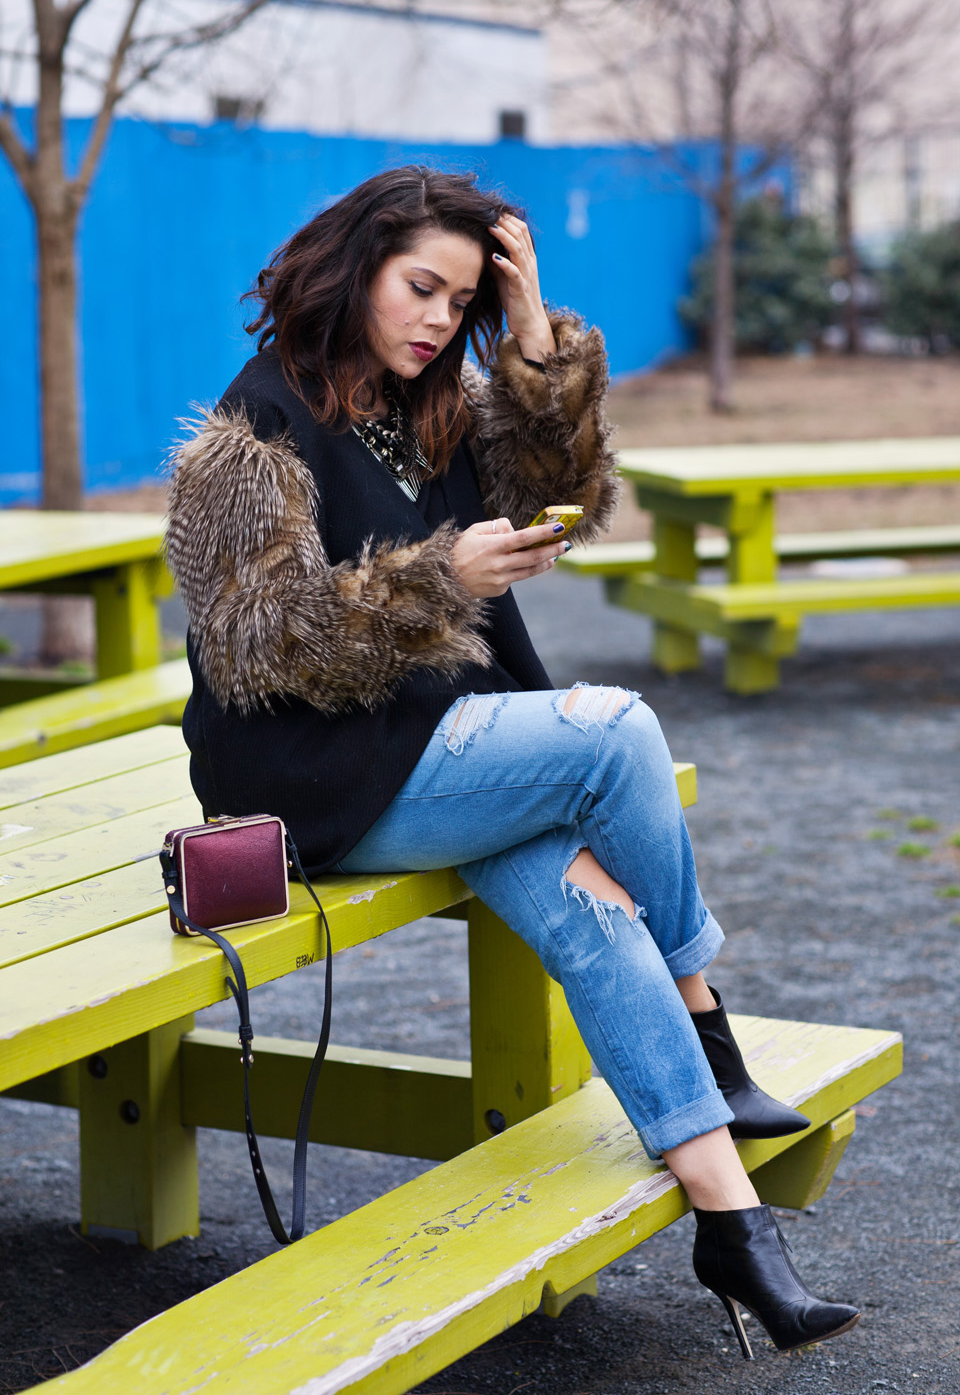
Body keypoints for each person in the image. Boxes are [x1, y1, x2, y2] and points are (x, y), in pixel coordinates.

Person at [166, 165, 859, 1361]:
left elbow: (567, 494)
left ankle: (733, 1228)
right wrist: (439, 580)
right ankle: (709, 1020)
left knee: (591, 909)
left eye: (461, 300)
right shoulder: (251, 431)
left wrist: (534, 333)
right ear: (357, 269)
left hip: (447, 742)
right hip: (312, 771)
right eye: (419, 287)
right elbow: (258, 647)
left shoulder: (432, 403)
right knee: (615, 731)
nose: (439, 319)